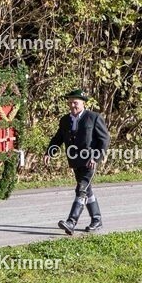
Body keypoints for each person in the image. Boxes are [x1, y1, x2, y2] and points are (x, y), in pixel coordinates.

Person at [45, 89, 110, 234]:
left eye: (75, 102)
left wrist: (96, 157)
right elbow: (58, 138)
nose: (72, 105)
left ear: (83, 103)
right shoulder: (65, 120)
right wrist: (50, 151)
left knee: (81, 189)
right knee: (87, 191)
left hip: (90, 161)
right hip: (75, 161)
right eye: (70, 102)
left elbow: (105, 139)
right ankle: (97, 220)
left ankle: (71, 222)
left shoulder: (93, 117)